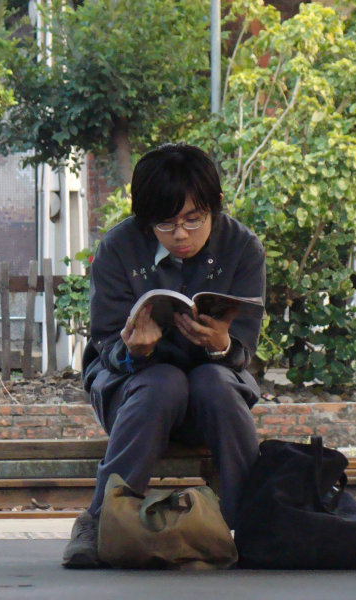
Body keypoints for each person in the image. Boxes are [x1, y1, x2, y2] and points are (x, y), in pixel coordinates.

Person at [62, 143, 266, 568]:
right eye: (166, 222)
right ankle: (100, 521)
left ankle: (256, 523)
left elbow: (244, 349)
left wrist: (221, 344)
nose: (180, 235)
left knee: (213, 383)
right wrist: (134, 351)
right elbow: (105, 342)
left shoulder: (242, 247)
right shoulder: (118, 247)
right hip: (135, 391)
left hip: (212, 388)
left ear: (215, 207)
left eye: (195, 220)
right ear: (144, 218)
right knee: (164, 382)